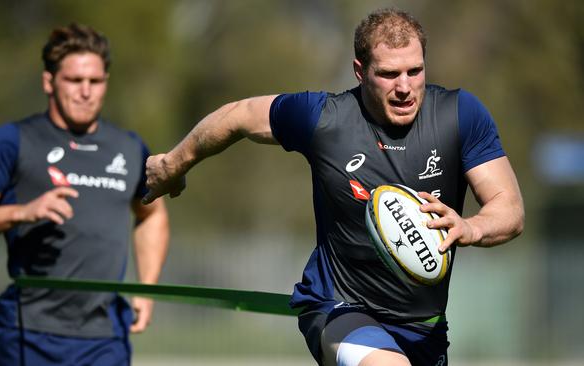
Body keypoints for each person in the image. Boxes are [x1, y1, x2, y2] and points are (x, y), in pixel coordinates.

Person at [143, 7, 525, 366]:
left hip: (424, 327)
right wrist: (171, 165)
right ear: (360, 71)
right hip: (339, 308)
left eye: (415, 71)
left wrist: (470, 227)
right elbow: (240, 115)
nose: (405, 87)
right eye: (389, 74)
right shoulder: (324, 119)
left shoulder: (459, 115)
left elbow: (508, 207)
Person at [0, 23, 170, 365]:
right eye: (74, 81)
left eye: (95, 81)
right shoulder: (15, 140)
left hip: (104, 338)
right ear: (49, 82)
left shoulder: (129, 148)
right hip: (27, 333)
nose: (86, 92)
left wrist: (146, 289)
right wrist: (21, 212)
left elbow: (152, 215)